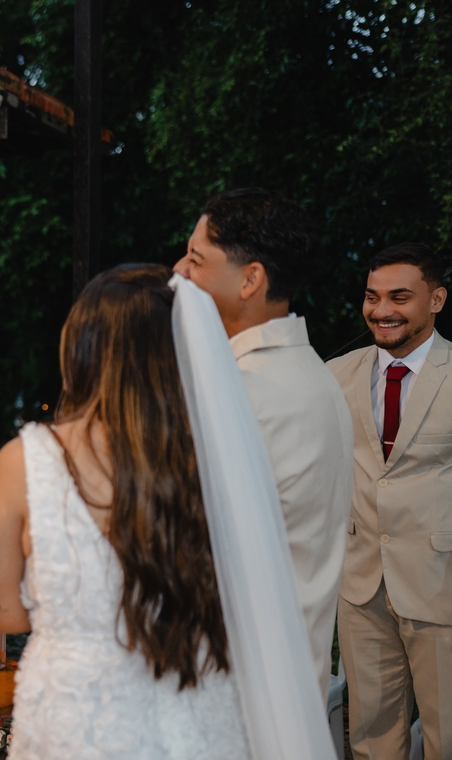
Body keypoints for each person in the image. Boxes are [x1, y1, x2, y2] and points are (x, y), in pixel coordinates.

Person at [0, 264, 250, 759]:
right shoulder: (220, 458)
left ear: (80, 351)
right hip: (195, 705)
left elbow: (1, 611)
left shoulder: (23, 462)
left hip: (78, 719)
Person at [174, 188, 354, 699]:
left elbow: (188, 551)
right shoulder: (313, 376)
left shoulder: (244, 394)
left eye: (195, 259)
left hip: (235, 685)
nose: (179, 272)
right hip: (290, 676)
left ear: (250, 279)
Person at [327, 243, 450, 760]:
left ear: (436, 299)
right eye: (372, 296)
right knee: (371, 738)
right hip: (360, 588)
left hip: (442, 583)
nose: (381, 310)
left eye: (399, 297)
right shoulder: (335, 375)